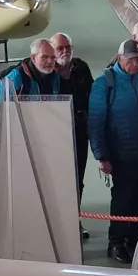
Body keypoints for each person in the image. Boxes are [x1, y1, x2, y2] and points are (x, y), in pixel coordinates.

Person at [89, 39, 138, 264]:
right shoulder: (104, 84)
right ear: (120, 58)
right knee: (122, 200)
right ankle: (116, 242)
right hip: (121, 156)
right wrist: (102, 156)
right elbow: (96, 122)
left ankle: (137, 239)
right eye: (132, 60)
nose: (136, 64)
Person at [51, 32, 95, 240]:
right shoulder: (48, 72)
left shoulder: (81, 68)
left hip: (79, 132)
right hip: (55, 135)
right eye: (60, 48)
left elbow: (93, 95)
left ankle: (74, 220)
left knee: (78, 179)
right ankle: (56, 223)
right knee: (57, 180)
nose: (65, 51)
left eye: (67, 47)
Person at [0, 38, 64, 98]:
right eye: (44, 57)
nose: (50, 61)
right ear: (33, 58)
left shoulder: (55, 74)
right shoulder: (16, 77)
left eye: (53, 57)